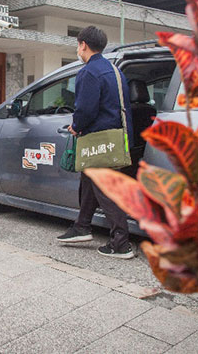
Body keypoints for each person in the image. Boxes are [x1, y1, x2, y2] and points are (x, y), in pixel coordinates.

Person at [56, 26, 135, 259]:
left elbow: (86, 109)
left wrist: (76, 126)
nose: (77, 49)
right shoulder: (114, 69)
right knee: (88, 180)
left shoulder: (89, 72)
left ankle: (121, 243)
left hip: (98, 138)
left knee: (104, 189)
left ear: (83, 45)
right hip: (115, 137)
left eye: (78, 45)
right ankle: (81, 227)